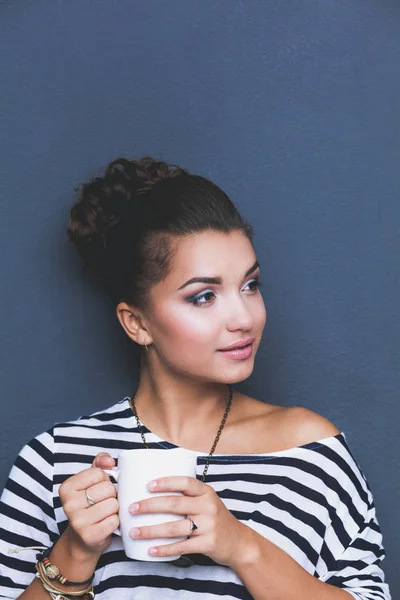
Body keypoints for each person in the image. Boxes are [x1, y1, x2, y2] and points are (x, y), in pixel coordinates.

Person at [0, 156, 391, 600]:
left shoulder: (309, 452)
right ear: (137, 323)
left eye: (250, 285)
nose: (244, 317)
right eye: (204, 296)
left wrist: (241, 547)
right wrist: (74, 552)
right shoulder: (56, 460)